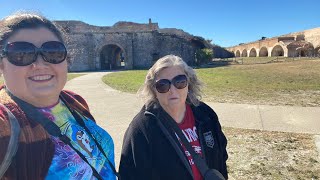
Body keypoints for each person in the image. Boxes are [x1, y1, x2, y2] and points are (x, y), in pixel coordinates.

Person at [0, 12, 116, 179]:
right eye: (21, 53)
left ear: (66, 59)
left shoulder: (73, 101)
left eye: (53, 52)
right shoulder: (5, 123)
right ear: (1, 64)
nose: (40, 64)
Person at [119, 55, 228, 180]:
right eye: (163, 85)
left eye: (180, 81)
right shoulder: (141, 128)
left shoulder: (205, 115)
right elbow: (129, 174)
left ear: (189, 84)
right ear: (154, 90)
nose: (172, 90)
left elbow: (221, 157)